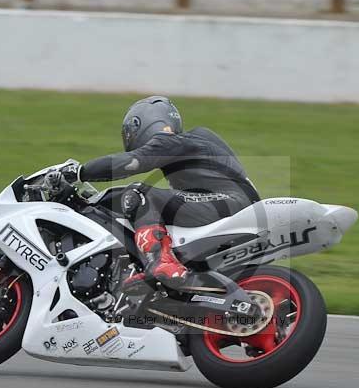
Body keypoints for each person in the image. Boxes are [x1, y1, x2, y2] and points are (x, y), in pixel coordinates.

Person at [60, 96, 259, 286]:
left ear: (144, 123)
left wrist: (79, 172)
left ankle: (162, 262)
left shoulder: (175, 142)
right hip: (232, 205)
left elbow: (131, 162)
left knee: (138, 194)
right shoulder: (188, 145)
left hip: (231, 203)